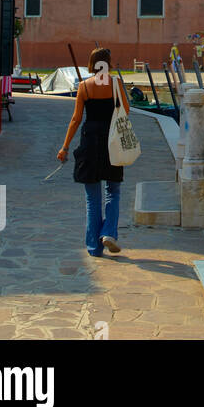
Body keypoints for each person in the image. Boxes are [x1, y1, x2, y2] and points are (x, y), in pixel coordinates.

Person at [57, 48, 130, 257]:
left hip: (90, 141)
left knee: (92, 199)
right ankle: (108, 233)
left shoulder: (84, 87)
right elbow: (125, 110)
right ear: (107, 63)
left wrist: (65, 147)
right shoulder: (115, 84)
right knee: (113, 191)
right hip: (112, 141)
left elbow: (76, 119)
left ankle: (94, 247)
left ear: (91, 64)